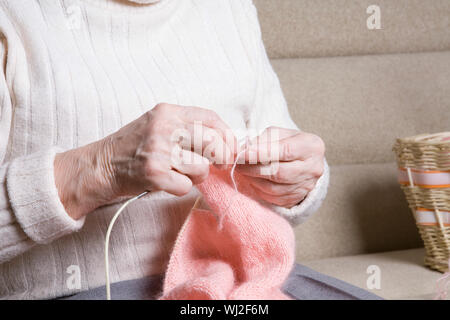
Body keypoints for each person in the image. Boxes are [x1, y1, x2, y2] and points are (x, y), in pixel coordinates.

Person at [0, 0, 342, 300]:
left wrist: (296, 186)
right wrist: (95, 171)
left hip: (242, 280)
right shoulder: (14, 17)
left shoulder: (230, 9)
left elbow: (281, 191)